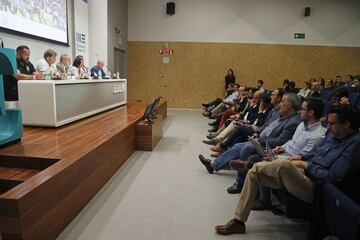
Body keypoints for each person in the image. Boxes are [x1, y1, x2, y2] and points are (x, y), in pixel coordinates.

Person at [214, 105, 360, 235]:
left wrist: (305, 165)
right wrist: (301, 156)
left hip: (317, 188)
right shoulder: (332, 134)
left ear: (346, 124)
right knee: (254, 175)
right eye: (327, 123)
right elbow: (316, 154)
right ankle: (238, 222)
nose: (328, 127)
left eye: (332, 123)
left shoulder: (355, 146)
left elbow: (333, 178)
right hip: (302, 175)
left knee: (284, 165)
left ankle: (251, 165)